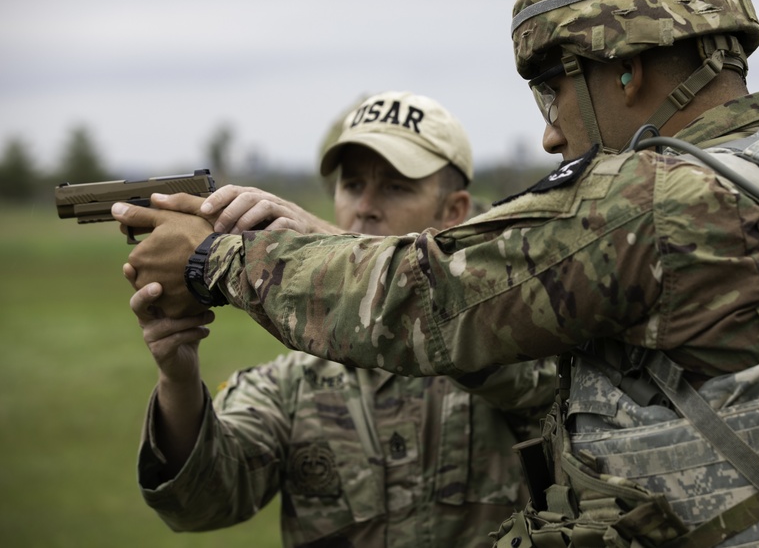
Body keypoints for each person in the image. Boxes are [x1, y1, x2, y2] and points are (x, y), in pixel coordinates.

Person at [113, 0, 759, 546]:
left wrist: (215, 256)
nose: (547, 134)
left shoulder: (657, 202)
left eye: (551, 90)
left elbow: (421, 302)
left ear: (625, 68)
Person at [130, 91, 557, 547]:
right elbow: (201, 504)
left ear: (453, 210)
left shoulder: (514, 334)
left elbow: (526, 372)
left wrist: (323, 242)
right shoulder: (295, 384)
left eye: (396, 187)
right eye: (352, 185)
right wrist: (178, 374)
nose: (365, 206)